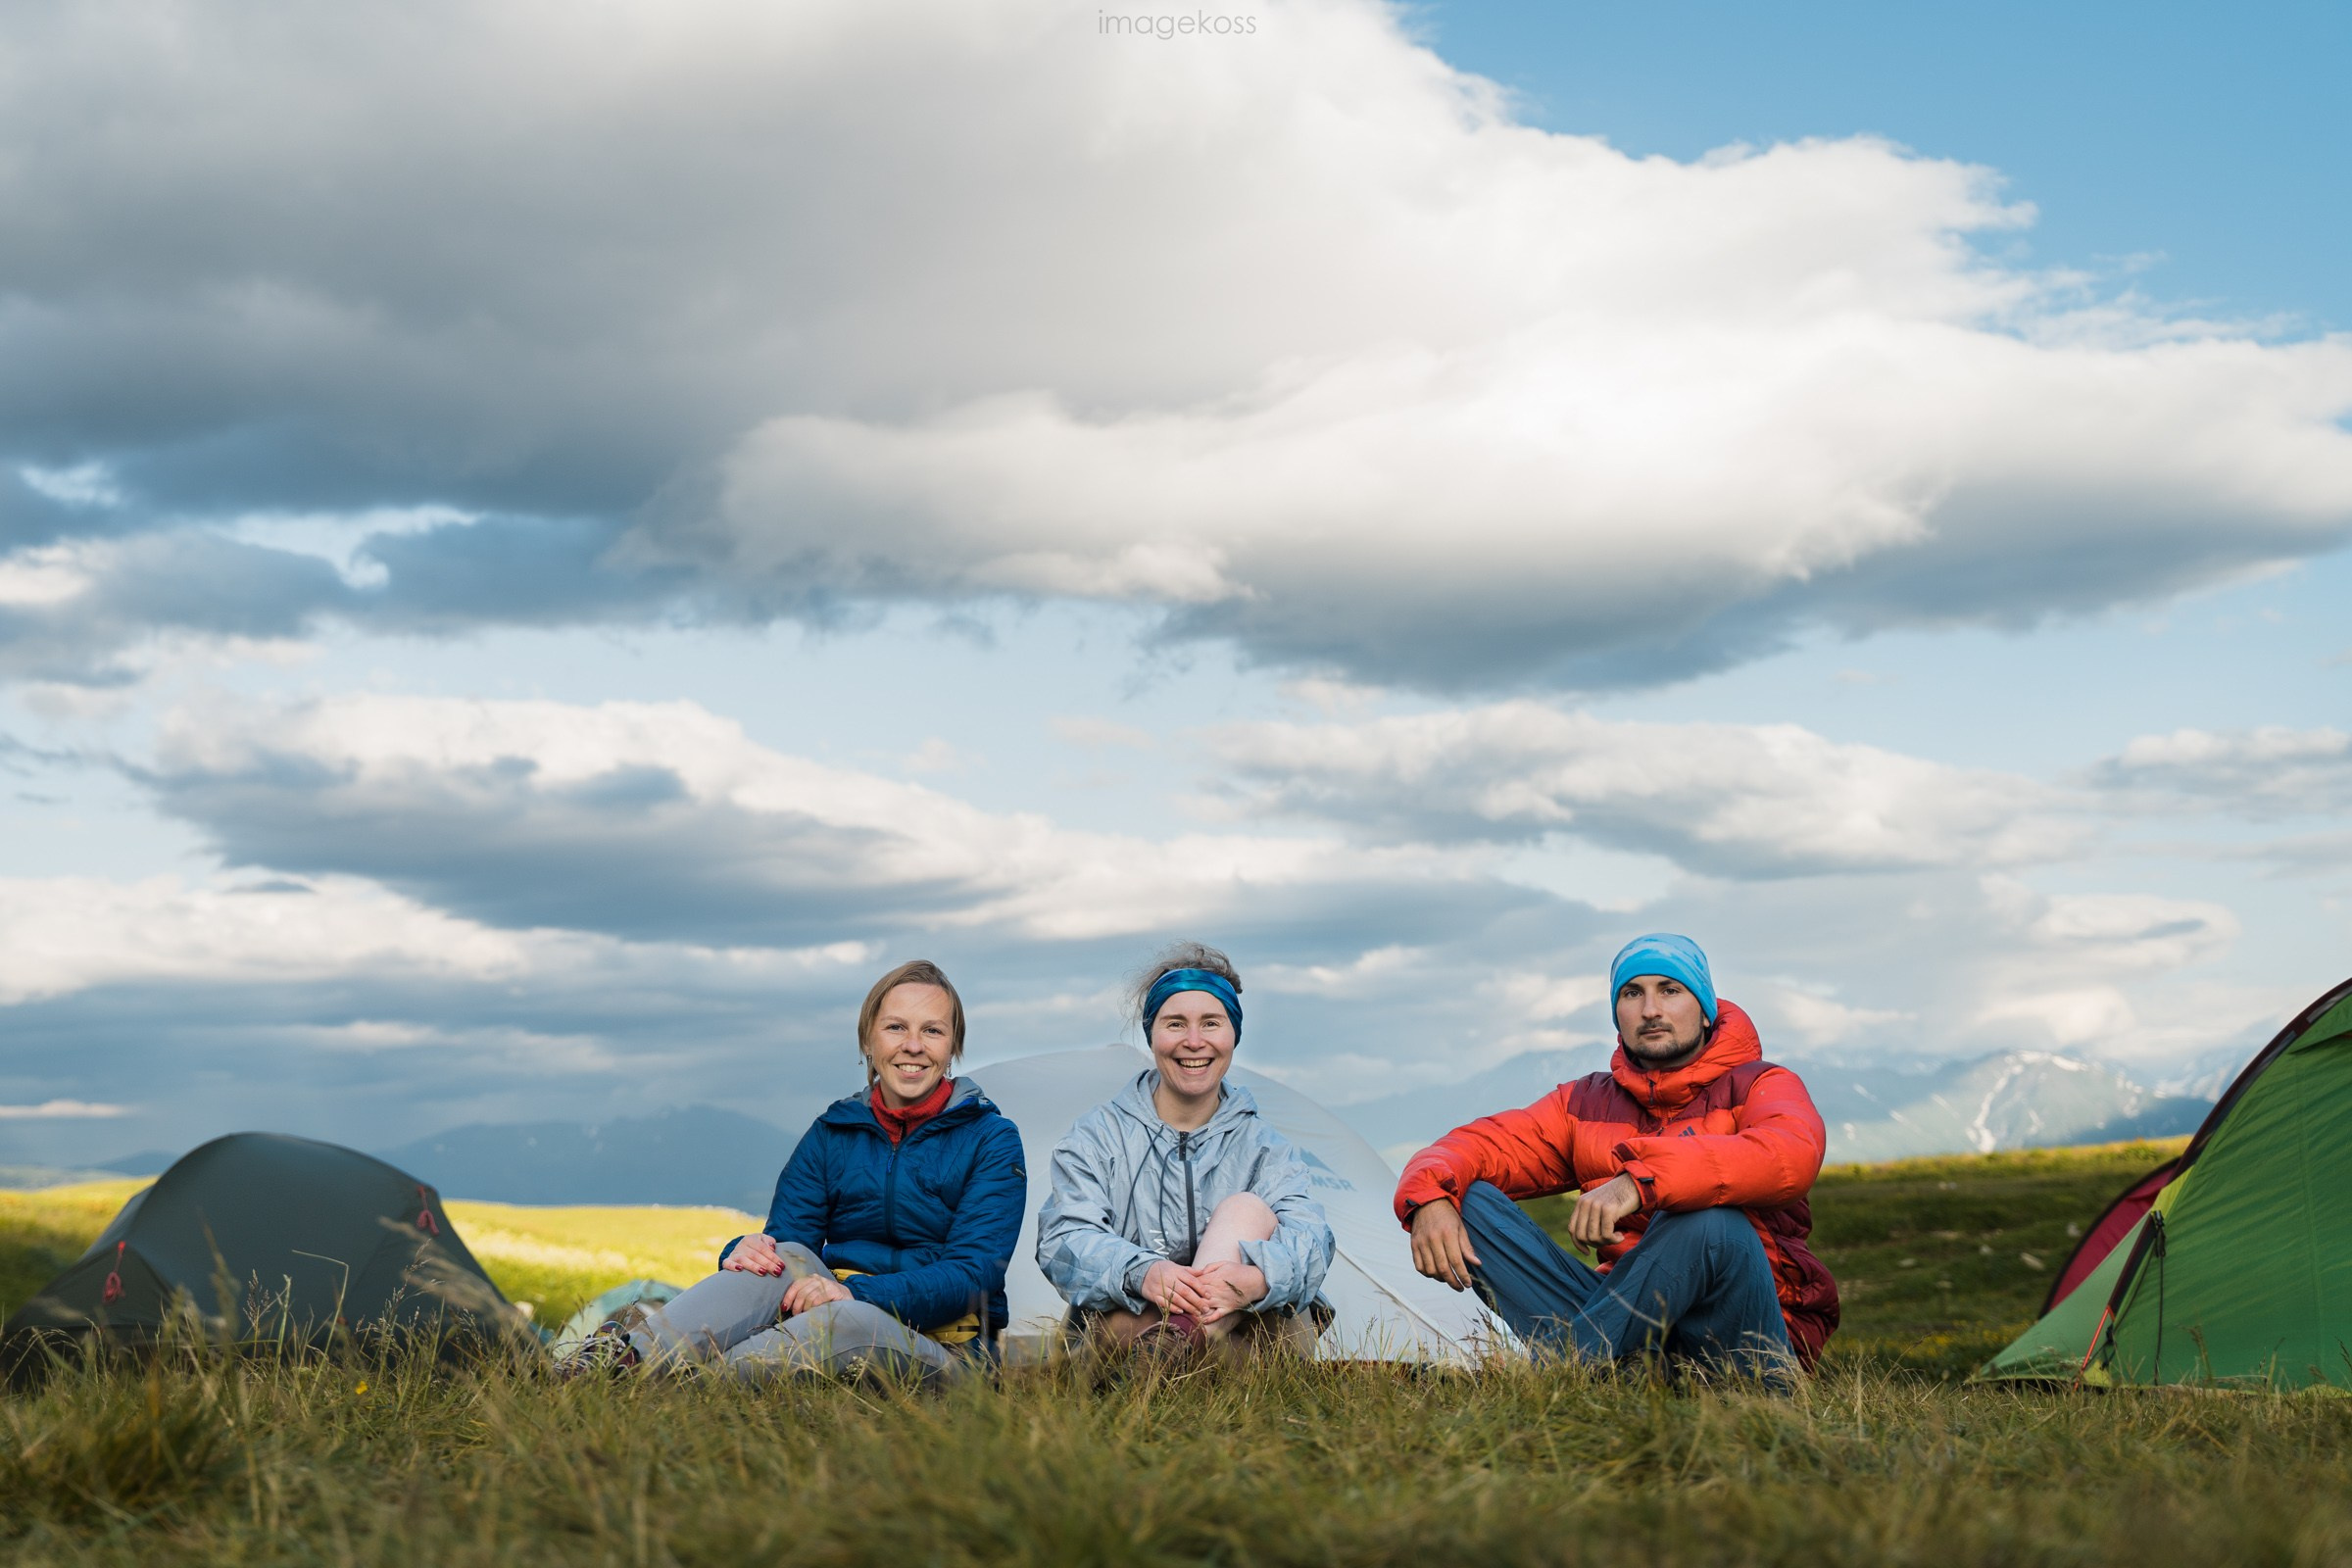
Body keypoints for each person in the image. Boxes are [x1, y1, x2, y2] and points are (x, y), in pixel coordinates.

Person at [561, 959, 1026, 1384]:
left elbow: (974, 1274)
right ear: (868, 1039)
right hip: (834, 1315)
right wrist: (742, 1250)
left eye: (933, 1031)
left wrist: (855, 1293)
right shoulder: (833, 1132)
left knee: (848, 1320)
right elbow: (789, 1244)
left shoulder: (990, 1138)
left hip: (949, 1354)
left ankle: (682, 1391)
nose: (913, 1046)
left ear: (953, 1047)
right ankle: (617, 1363)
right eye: (896, 1027)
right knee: (777, 1256)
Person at [1396, 934, 1838, 1377]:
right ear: (1617, 1015)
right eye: (1632, 993)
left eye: (1670, 990)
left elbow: (1787, 1158)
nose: (1650, 1010)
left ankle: (1562, 1372)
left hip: (1740, 1336)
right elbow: (1478, 1145)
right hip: (1627, 1331)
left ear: (1705, 1011)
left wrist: (1642, 1181)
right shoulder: (1584, 1104)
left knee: (1710, 1221)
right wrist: (1429, 1197)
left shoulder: (1762, 1084)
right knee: (1465, 1199)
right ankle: (1617, 1371)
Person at [1036, 942, 1335, 1356]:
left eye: (1211, 1023)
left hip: (1242, 1322)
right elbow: (1064, 1238)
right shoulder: (1098, 1135)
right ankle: (1182, 1349)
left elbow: (1312, 1238)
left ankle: (1176, 1347)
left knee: (1246, 1209)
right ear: (1152, 1034)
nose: (1194, 1041)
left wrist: (1257, 1281)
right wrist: (1144, 1273)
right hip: (1137, 1315)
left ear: (1233, 1034)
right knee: (1124, 1325)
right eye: (1175, 1023)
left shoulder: (1264, 1147)